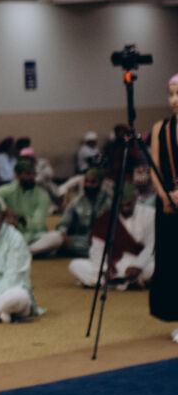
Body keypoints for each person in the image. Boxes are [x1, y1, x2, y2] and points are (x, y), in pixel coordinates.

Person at [69, 179, 155, 291]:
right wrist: (105, 270)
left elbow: (152, 245)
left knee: (159, 266)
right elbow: (97, 249)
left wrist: (138, 265)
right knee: (75, 265)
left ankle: (116, 283)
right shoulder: (106, 218)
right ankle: (125, 282)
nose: (125, 208)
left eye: (128, 204)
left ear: (135, 200)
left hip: (142, 263)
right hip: (114, 265)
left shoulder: (150, 214)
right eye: (121, 205)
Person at [149, 73, 178, 340]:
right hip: (168, 204)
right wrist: (165, 196)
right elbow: (154, 167)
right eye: (170, 94)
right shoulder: (162, 128)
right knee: (170, 259)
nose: (174, 100)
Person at [31, 164, 109, 257]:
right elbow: (64, 223)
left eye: (93, 182)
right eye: (86, 181)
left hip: (101, 242)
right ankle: (29, 251)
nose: (88, 185)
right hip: (78, 240)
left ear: (100, 183)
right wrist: (63, 234)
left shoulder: (109, 202)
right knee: (55, 236)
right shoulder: (77, 201)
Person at [0, 151, 53, 248]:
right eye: (28, 174)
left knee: (55, 237)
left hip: (36, 236)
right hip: (11, 233)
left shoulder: (42, 195)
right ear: (17, 175)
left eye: (33, 174)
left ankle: (24, 251)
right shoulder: (9, 190)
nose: (32, 177)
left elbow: (38, 225)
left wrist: (20, 219)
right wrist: (4, 210)